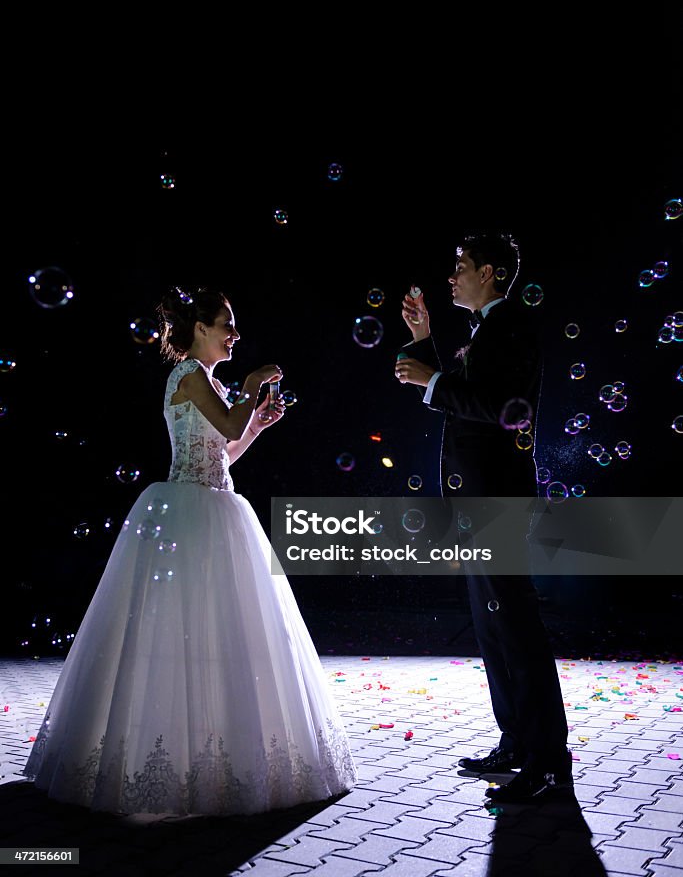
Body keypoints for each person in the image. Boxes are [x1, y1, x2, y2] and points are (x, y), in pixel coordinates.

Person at [23, 287, 357, 815]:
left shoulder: (208, 382)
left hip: (214, 505)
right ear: (199, 328)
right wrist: (248, 390)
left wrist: (257, 426)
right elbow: (224, 425)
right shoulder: (188, 376)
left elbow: (223, 452)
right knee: (181, 632)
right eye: (227, 323)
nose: (235, 333)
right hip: (187, 511)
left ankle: (217, 752)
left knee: (220, 631)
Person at [395, 235, 571, 804]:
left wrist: (435, 381)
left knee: (515, 629)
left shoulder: (511, 324)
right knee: (493, 627)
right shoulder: (488, 328)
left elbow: (501, 408)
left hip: (497, 498)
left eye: (460, 268)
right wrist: (424, 342)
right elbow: (467, 393)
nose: (451, 278)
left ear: (490, 273)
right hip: (477, 501)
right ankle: (517, 743)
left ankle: (545, 761)